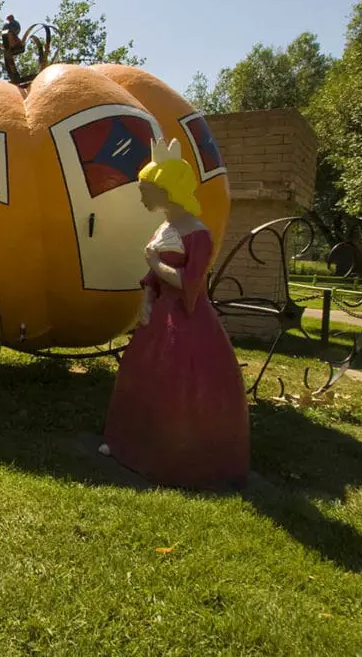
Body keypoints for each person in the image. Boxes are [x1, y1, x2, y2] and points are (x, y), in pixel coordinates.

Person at [99, 138, 249, 490]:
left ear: (167, 190)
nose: (142, 196)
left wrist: (154, 264)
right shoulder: (165, 228)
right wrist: (148, 294)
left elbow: (191, 284)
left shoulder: (197, 234)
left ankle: (175, 458)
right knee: (144, 381)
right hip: (158, 318)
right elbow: (156, 274)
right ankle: (132, 447)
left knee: (179, 385)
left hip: (185, 322)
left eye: (146, 189)